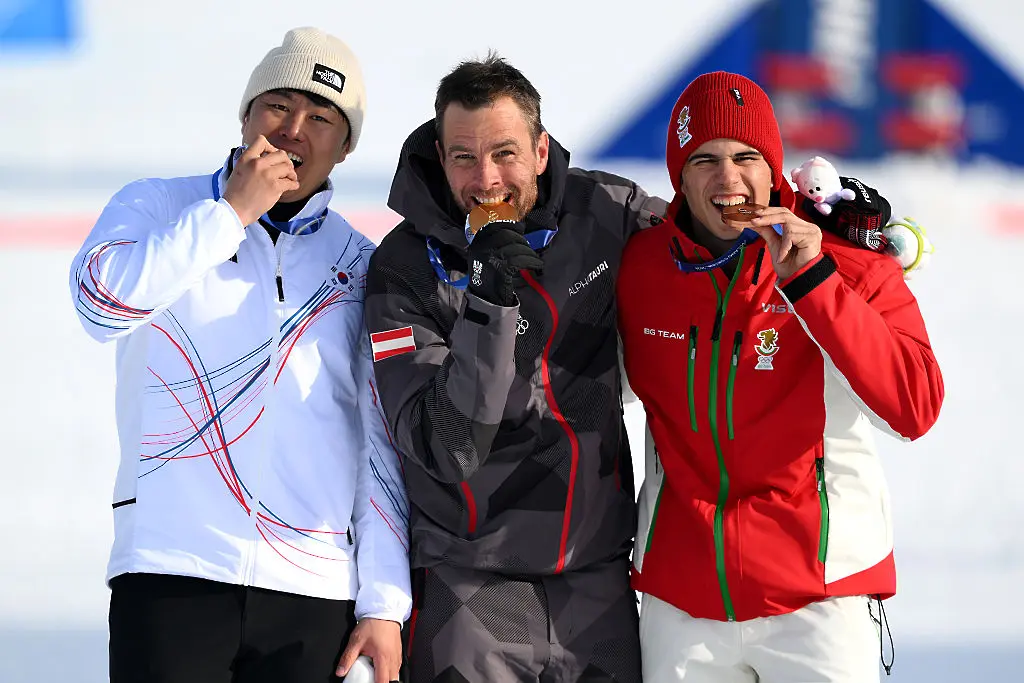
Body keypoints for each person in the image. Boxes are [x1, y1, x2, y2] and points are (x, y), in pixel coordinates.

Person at [69, 27, 410, 683]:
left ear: (345, 148)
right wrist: (228, 215)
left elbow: (380, 446)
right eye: (278, 105)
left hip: (313, 593)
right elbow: (100, 306)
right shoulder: (159, 206)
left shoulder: (364, 266)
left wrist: (383, 603)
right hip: (172, 570)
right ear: (245, 114)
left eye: (322, 119)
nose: (293, 130)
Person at [617, 71, 945, 682]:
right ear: (679, 177)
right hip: (682, 604)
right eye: (704, 160)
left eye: (747, 158)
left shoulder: (849, 266)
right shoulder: (639, 269)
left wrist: (813, 283)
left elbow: (914, 406)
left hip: (819, 599)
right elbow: (583, 390)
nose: (728, 179)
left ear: (775, 170)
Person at [364, 53, 668, 682]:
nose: (486, 179)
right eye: (463, 157)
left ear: (540, 149)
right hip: (469, 589)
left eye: (505, 153)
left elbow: (715, 243)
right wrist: (488, 302)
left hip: (597, 584)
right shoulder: (404, 267)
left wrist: (849, 239)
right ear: (440, 157)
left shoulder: (605, 211)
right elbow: (446, 448)